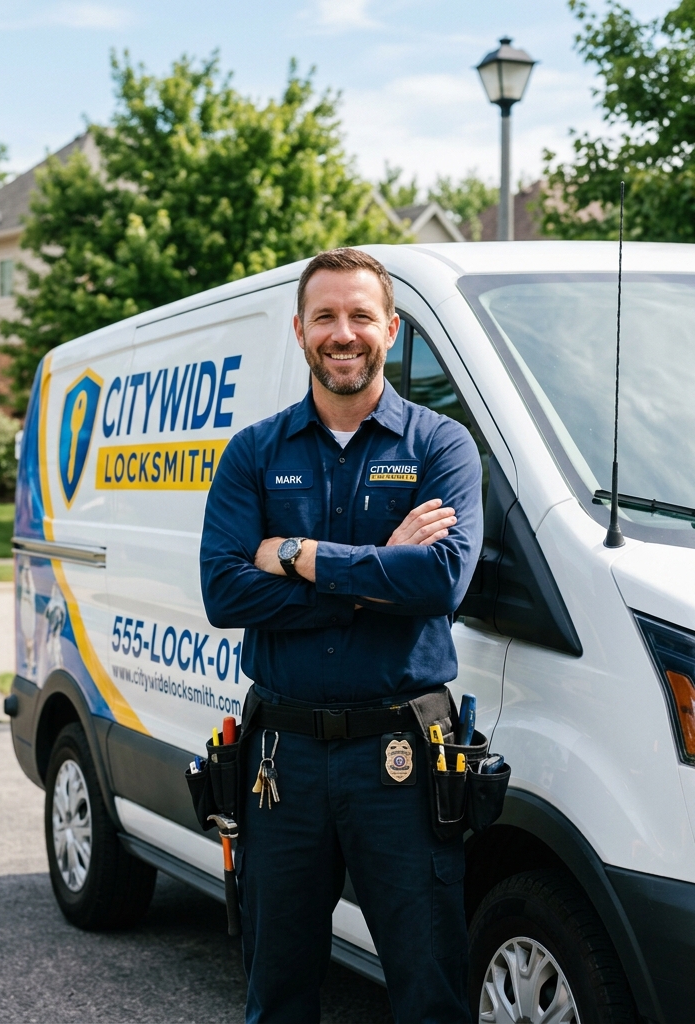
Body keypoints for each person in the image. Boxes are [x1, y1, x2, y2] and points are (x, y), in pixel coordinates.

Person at [200, 247, 483, 1023]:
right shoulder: (255, 453)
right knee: (278, 994)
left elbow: (443, 581)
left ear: (392, 327)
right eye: (325, 316)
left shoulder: (440, 447)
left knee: (430, 994)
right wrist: (379, 572)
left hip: (401, 757)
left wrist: (299, 557)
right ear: (300, 330)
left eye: (361, 315)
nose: (343, 333)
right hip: (280, 762)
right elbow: (224, 590)